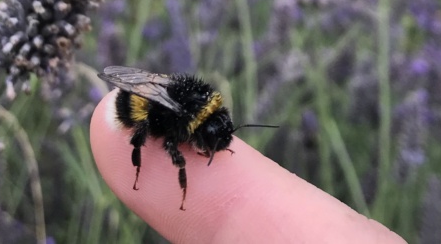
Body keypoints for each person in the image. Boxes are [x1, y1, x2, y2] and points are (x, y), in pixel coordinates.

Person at [90, 90, 406, 243]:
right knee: (164, 143)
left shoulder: (201, 109)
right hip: (136, 106)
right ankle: (135, 170)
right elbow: (174, 139)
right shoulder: (185, 117)